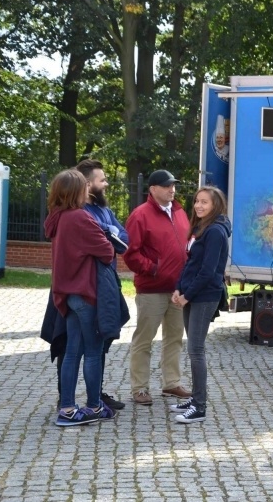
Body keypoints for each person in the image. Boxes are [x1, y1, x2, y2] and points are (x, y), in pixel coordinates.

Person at [44, 169, 117, 426]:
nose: (88, 189)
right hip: (86, 293)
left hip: (67, 294)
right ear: (75, 191)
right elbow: (107, 252)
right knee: (94, 352)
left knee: (72, 352)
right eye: (84, 186)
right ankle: (95, 406)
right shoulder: (79, 218)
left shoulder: (57, 217)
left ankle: (67, 408)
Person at [124, 169, 192, 405]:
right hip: (151, 289)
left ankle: (171, 384)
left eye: (173, 185)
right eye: (166, 186)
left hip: (177, 289)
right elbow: (130, 253)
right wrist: (153, 269)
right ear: (153, 189)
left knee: (174, 338)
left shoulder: (180, 212)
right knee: (144, 340)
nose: (172, 189)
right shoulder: (140, 215)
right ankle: (139, 388)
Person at [168, 186, 231, 424]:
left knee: (196, 351)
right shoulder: (200, 229)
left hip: (205, 296)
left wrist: (187, 295)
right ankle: (195, 399)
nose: (199, 206)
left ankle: (200, 407)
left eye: (205, 202)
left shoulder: (215, 231)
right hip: (191, 294)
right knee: (194, 350)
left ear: (216, 205)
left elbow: (207, 271)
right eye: (197, 201)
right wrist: (178, 288)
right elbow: (190, 263)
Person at [75, 158, 129, 411]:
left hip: (107, 285)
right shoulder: (76, 212)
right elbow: (105, 247)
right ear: (88, 184)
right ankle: (72, 399)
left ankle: (95, 393)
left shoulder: (104, 210)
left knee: (102, 340)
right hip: (86, 287)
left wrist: (107, 228)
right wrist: (110, 234)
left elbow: (124, 238)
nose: (106, 183)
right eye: (102, 179)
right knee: (75, 347)